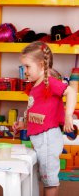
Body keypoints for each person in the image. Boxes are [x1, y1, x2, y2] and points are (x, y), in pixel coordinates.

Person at [13, 41, 76, 196]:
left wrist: (68, 115)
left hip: (48, 138)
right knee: (42, 174)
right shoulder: (35, 86)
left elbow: (72, 92)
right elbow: (38, 113)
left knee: (49, 179)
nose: (24, 70)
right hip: (39, 138)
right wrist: (23, 124)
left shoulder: (50, 83)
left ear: (41, 65)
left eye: (27, 66)